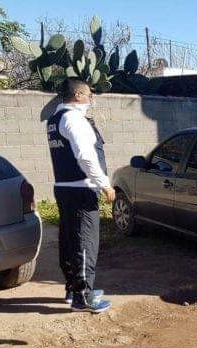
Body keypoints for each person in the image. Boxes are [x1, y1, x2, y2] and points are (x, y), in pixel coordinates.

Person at [46, 78, 115, 313]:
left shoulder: (54, 120)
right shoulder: (74, 119)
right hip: (81, 189)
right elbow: (85, 157)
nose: (90, 98)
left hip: (64, 187)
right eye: (88, 94)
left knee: (69, 239)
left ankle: (72, 288)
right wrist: (104, 184)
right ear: (77, 95)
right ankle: (83, 297)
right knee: (85, 242)